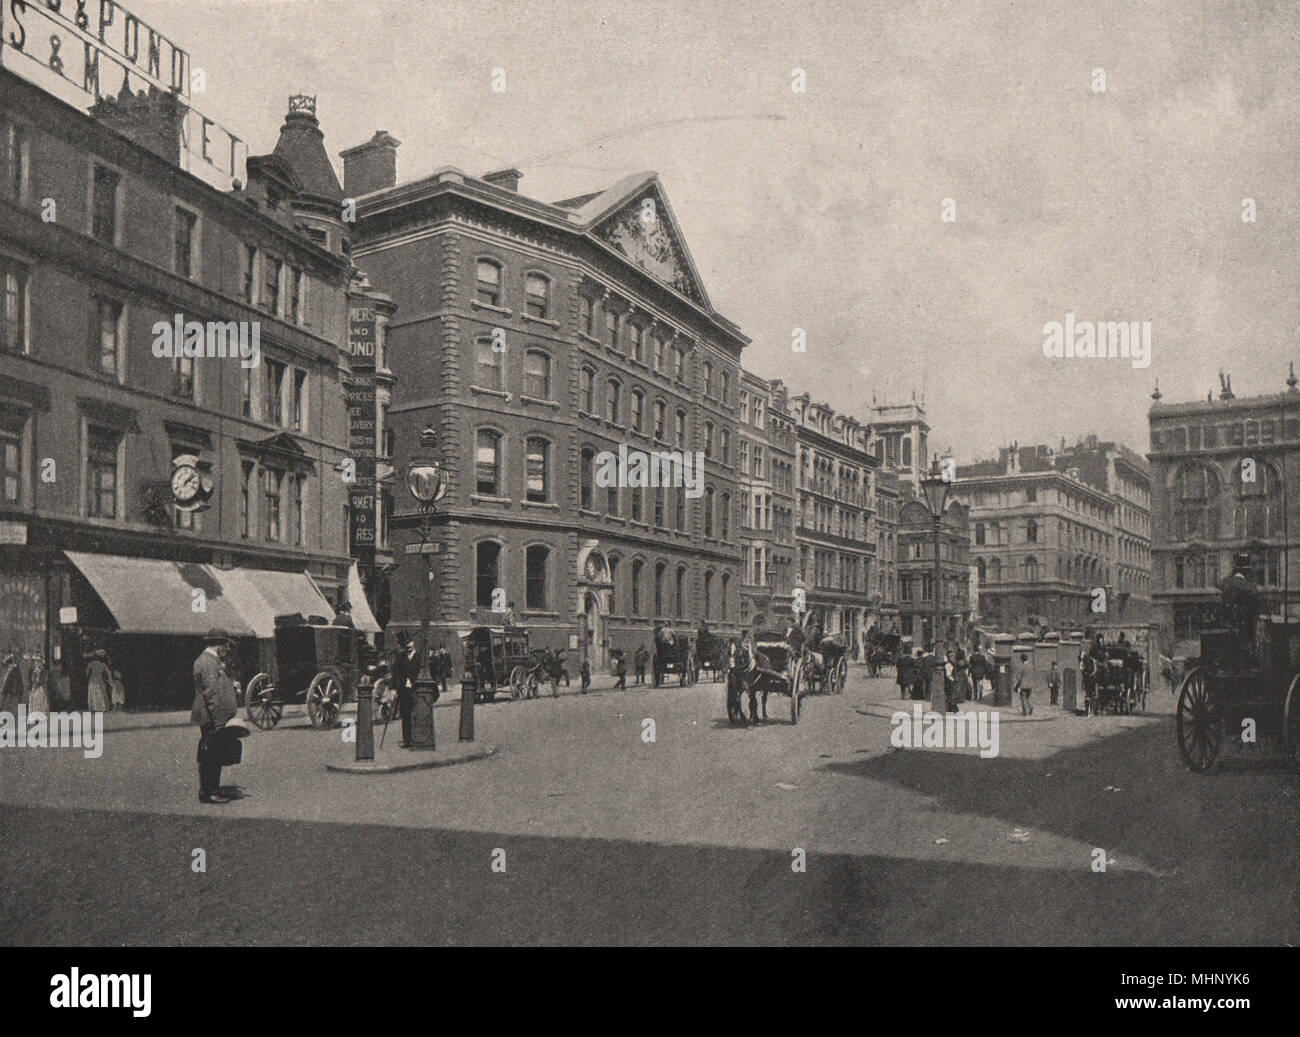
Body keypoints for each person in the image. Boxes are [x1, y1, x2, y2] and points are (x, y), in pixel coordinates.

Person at [192, 633, 238, 804]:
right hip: (211, 717)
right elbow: (211, 693)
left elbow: (216, 686)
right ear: (218, 644)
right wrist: (219, 722)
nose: (228, 649)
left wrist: (230, 684)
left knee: (213, 752)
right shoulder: (209, 663)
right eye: (226, 645)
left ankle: (212, 789)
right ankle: (209, 791)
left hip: (212, 715)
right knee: (210, 754)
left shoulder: (210, 661)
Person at [392, 633, 418, 748]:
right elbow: (395, 673)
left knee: (416, 714)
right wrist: (394, 688)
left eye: (410, 642)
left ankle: (417, 738)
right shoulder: (400, 657)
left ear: (414, 643)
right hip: (403, 690)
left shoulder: (420, 656)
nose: (409, 645)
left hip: (416, 690)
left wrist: (413, 681)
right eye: (406, 643)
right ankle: (407, 741)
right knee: (405, 714)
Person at [1014, 650, 1033, 716]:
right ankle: (1031, 707)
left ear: (1022, 659)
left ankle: (1025, 712)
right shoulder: (1031, 666)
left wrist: (1016, 685)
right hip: (1030, 685)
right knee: (1028, 698)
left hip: (1023, 685)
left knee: (1023, 698)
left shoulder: (1021, 667)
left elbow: (1019, 677)